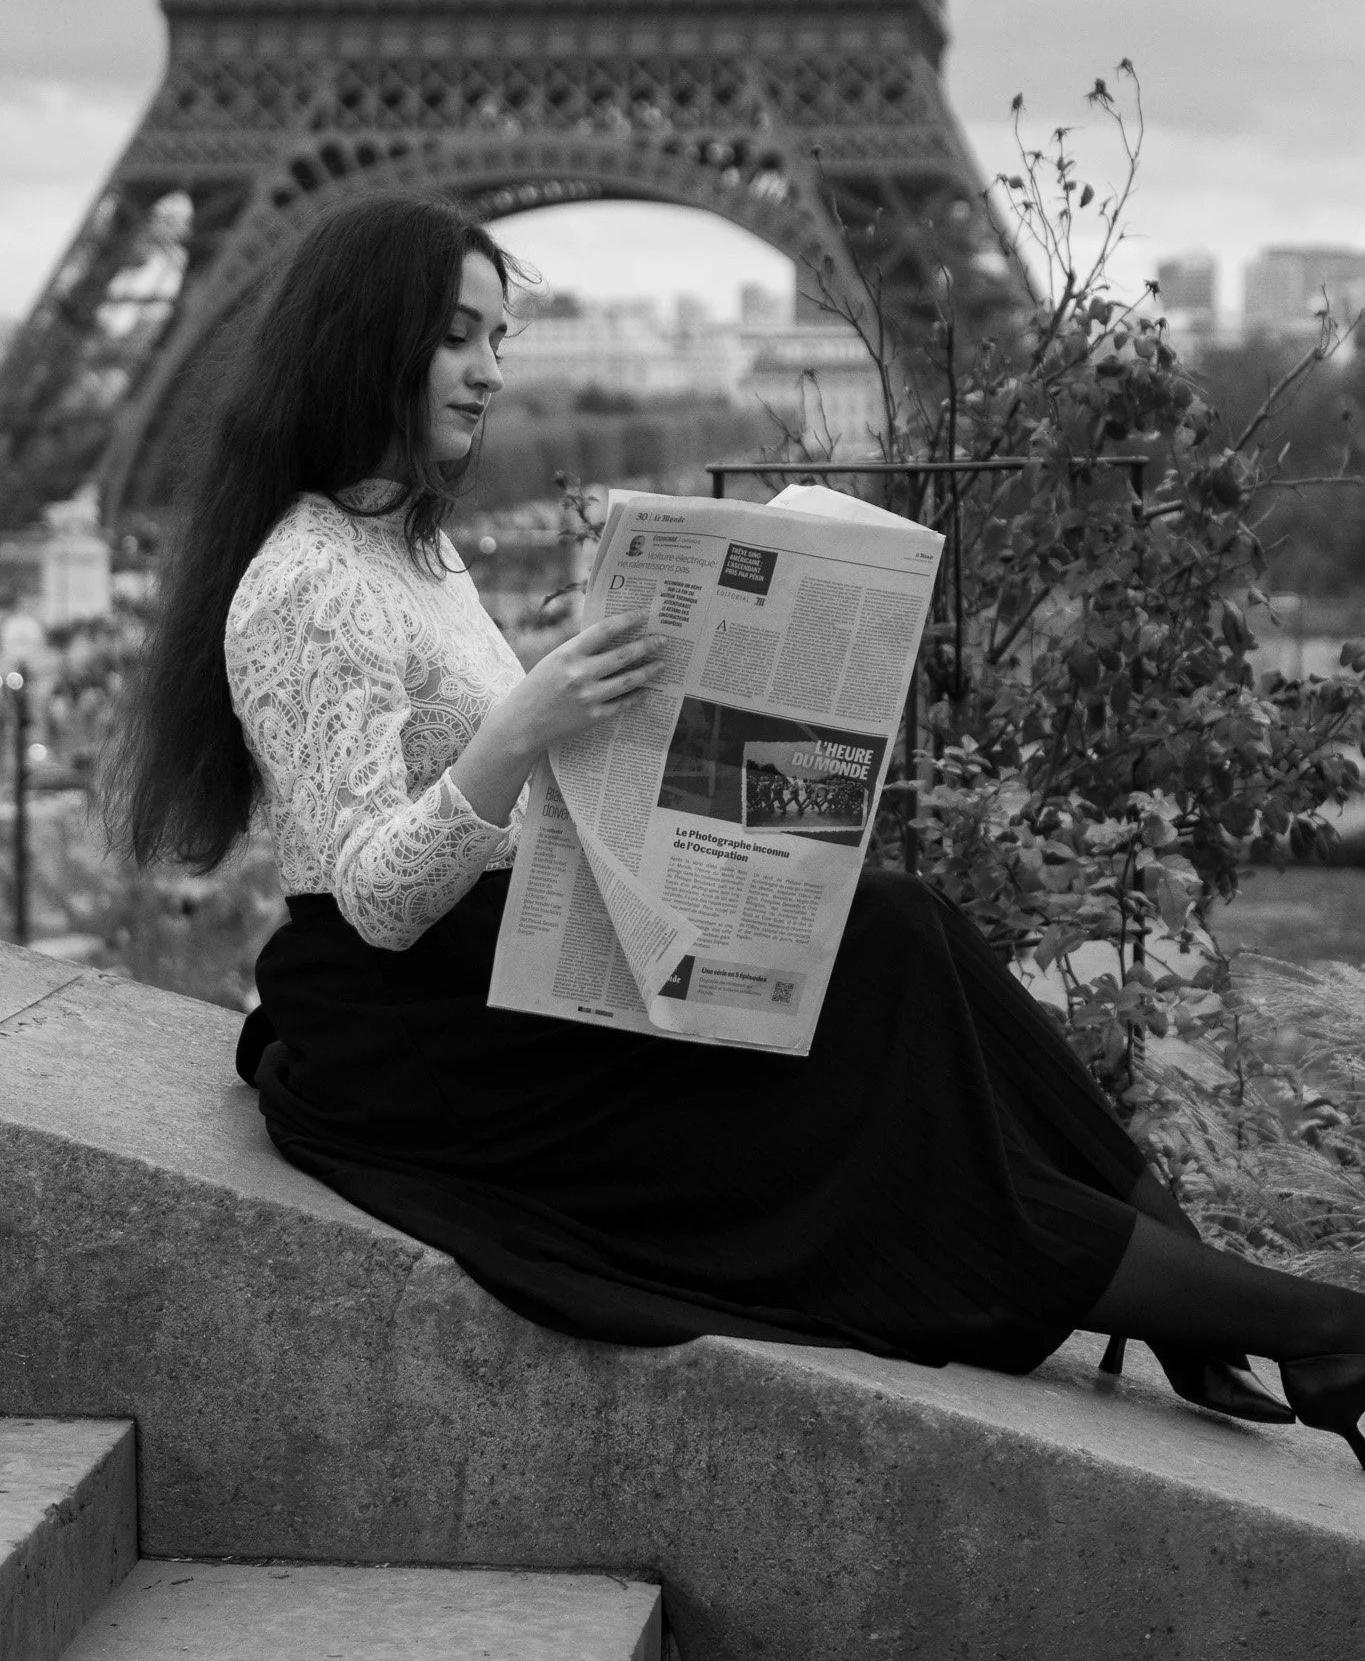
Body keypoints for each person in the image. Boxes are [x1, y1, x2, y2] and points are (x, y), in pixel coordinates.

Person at [105, 192, 1365, 1472]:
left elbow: (502, 788)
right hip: (417, 1024)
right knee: (868, 1033)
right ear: (366, 342)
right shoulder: (304, 582)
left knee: (898, 925)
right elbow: (375, 896)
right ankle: (1299, 1320)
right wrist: (530, 720)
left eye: (499, 337)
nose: (490, 369)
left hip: (500, 955)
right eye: (457, 337)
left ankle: (1210, 1300)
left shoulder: (410, 549)